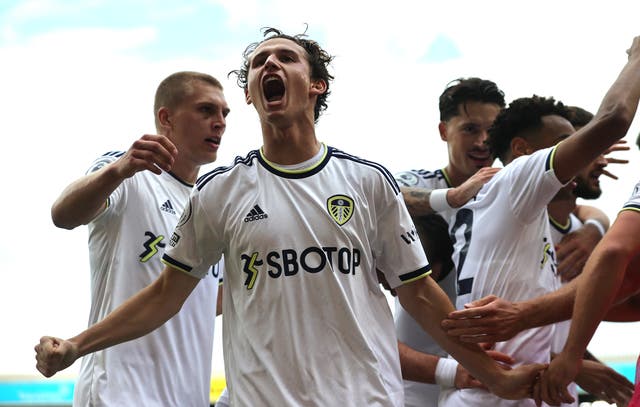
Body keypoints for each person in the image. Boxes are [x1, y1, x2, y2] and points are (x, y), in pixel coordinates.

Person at [34, 28, 543, 407]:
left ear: (316, 85)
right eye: (258, 62)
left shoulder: (368, 182)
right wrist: (79, 345)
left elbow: (421, 295)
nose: (268, 64)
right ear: (253, 93)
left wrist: (487, 373)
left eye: (285, 57)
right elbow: (165, 294)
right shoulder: (218, 191)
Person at [434, 34, 640, 407]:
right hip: (495, 396)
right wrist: (638, 57)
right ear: (522, 150)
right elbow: (613, 121)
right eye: (563, 140)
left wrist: (596, 223)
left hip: (526, 391)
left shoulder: (537, 218)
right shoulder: (513, 181)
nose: (574, 150)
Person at [48, 71, 229, 406]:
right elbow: (63, 215)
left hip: (187, 398)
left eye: (224, 114)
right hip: (116, 394)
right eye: (206, 111)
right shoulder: (130, 175)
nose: (219, 122)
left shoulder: (214, 204)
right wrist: (120, 168)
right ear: (166, 118)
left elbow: (204, 299)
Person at [394, 77, 506, 406]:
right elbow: (388, 195)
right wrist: (454, 197)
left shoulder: (509, 191)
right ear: (444, 131)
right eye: (470, 129)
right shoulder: (422, 183)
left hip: (485, 381)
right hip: (414, 383)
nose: (484, 141)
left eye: (492, 130)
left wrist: (593, 223)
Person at [535, 132, 640, 406]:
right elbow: (480, 322)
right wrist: (572, 359)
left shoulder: (587, 232)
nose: (604, 162)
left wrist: (574, 357)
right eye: (591, 151)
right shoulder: (501, 223)